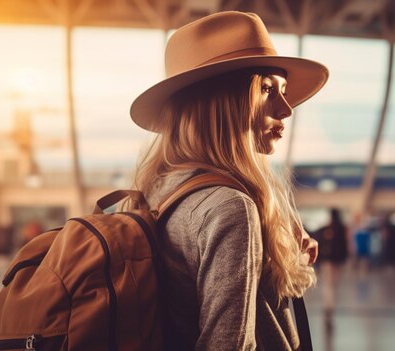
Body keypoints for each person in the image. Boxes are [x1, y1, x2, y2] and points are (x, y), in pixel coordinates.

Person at [124, 11, 328, 350]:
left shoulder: (148, 193)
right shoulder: (230, 207)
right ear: (220, 102)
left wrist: (272, 255)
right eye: (266, 89)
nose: (286, 109)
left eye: (284, 91)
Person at [315, 208, 348, 327]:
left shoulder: (328, 229)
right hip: (337, 262)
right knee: (333, 285)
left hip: (328, 261)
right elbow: (345, 246)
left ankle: (328, 305)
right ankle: (331, 304)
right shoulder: (341, 228)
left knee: (328, 285)